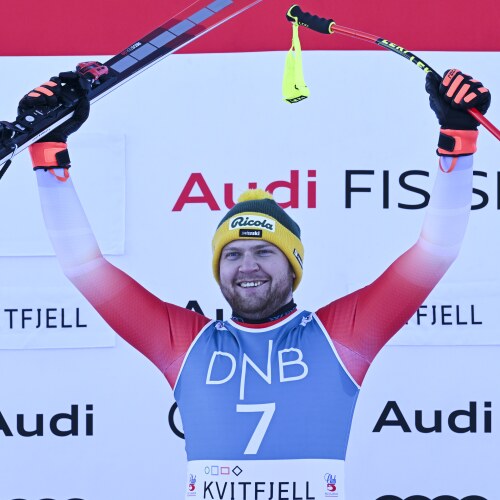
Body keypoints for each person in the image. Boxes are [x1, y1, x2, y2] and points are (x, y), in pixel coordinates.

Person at [20, 68, 490, 499]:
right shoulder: (186, 343)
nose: (247, 266)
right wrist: (48, 150)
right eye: (233, 254)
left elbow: (436, 250)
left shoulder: (339, 337)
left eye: (265, 252)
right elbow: (83, 265)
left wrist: (458, 136)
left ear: (293, 266)